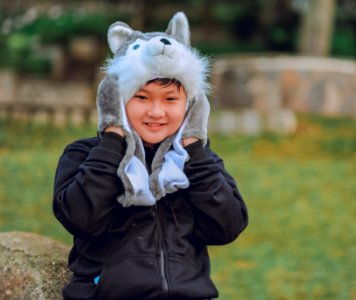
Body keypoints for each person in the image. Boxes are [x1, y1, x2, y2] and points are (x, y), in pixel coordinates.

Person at [53, 12, 248, 300]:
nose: (156, 112)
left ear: (190, 105)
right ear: (117, 99)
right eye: (141, 98)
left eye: (170, 100)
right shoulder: (85, 154)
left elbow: (227, 227)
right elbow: (81, 217)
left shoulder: (196, 161)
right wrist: (112, 141)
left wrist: (194, 148)